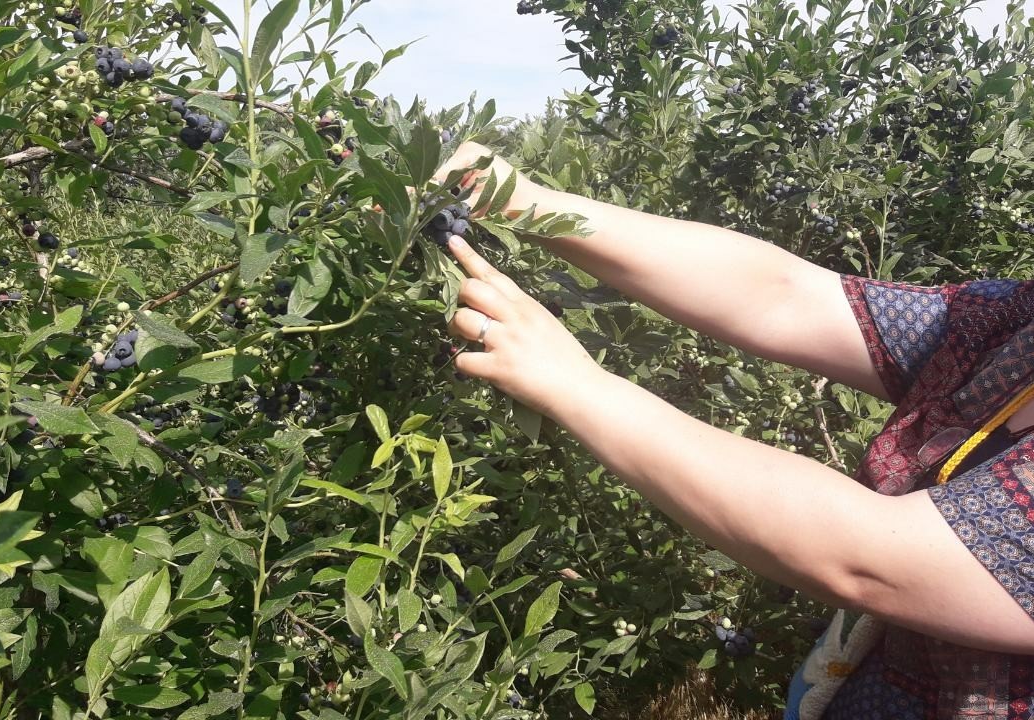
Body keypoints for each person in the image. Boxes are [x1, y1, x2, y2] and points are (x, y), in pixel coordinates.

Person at [434, 142, 1034, 719]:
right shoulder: (1016, 329)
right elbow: (785, 298)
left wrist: (576, 383)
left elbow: (871, 556)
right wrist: (519, 198)